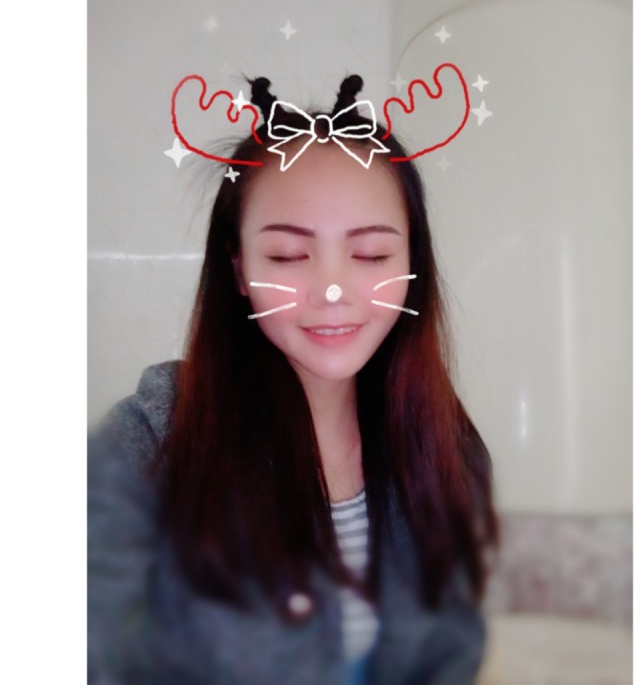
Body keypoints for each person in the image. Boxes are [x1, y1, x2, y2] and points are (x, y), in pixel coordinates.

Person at [88, 72, 499, 685]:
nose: (332, 291)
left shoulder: (451, 449)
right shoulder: (153, 438)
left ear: (413, 264)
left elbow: (450, 652)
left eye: (372, 255)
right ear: (239, 270)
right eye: (287, 255)